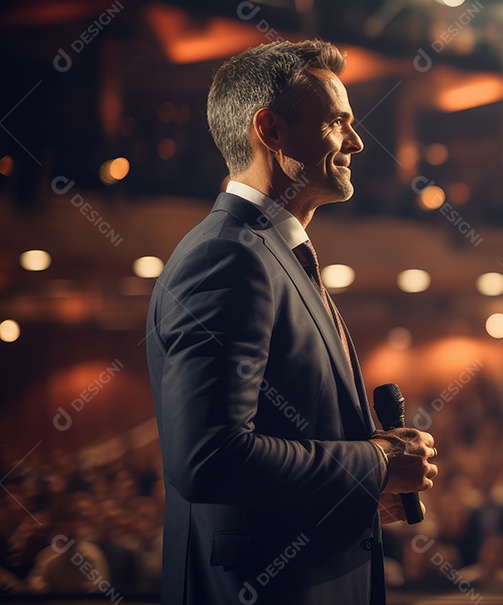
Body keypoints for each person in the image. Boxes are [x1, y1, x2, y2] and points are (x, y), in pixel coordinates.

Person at [145, 40, 437, 605]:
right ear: (270, 131)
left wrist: (354, 488)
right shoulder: (227, 258)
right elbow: (210, 457)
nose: (355, 141)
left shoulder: (273, 255)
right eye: (336, 123)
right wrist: (375, 463)